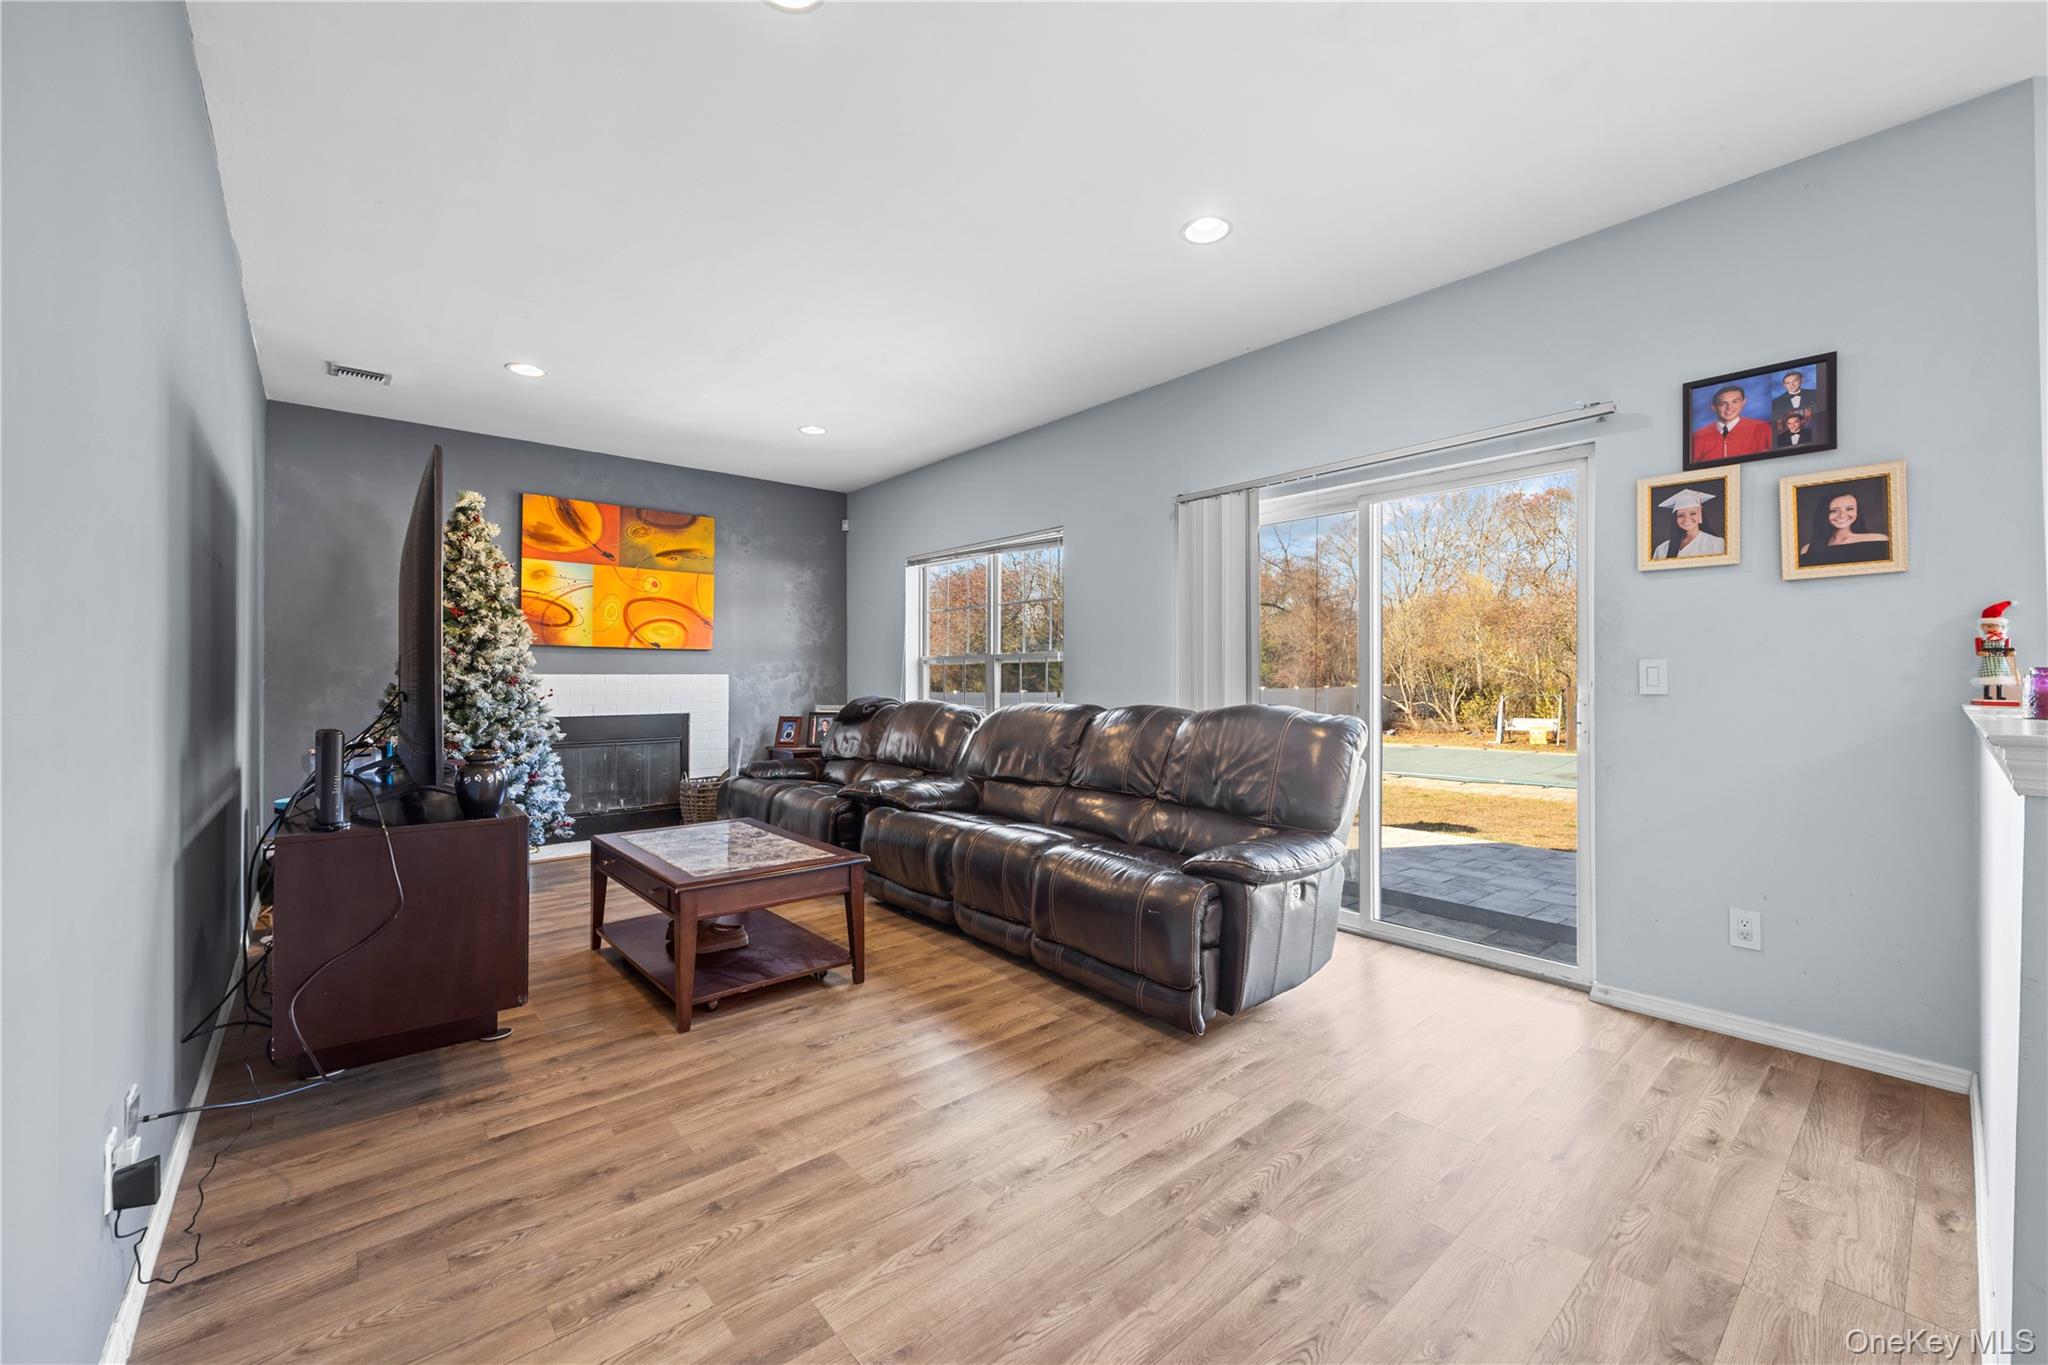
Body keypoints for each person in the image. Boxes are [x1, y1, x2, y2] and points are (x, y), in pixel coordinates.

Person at [1800, 489, 1891, 565]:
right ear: (1823, 513)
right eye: (1834, 510)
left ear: (1857, 511)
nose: (1842, 515)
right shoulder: (1807, 550)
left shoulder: (1879, 540)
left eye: (1849, 509)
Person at [1691, 385, 1774, 462]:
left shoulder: (1762, 429)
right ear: (1714, 407)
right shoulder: (1698, 437)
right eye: (1723, 404)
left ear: (1743, 402)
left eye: (1735, 402)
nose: (1729, 408)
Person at [1652, 487, 1726, 559]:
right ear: (1675, 518)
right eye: (1681, 515)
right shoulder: (1662, 549)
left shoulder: (1715, 544)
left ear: (1700, 514)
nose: (1687, 519)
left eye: (1693, 513)